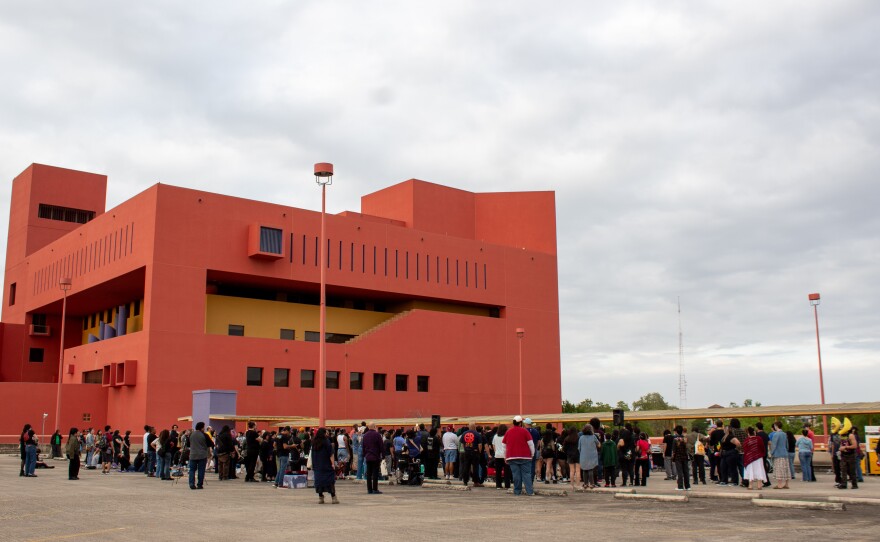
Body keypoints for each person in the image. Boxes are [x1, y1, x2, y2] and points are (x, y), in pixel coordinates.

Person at [503, 416, 535, 496]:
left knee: (516, 475)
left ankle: (517, 491)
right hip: (525, 456)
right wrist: (532, 453)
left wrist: (505, 456)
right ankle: (530, 491)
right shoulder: (525, 431)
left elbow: (504, 445)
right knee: (527, 474)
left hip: (512, 457)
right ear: (520, 423)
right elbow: (531, 444)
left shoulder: (508, 431)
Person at [311, 428, 339, 504]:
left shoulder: (314, 442)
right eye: (326, 432)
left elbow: (312, 455)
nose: (327, 434)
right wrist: (333, 464)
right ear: (323, 433)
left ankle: (321, 497)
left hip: (317, 465)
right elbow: (331, 454)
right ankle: (333, 497)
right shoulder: (326, 441)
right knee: (330, 480)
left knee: (319, 481)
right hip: (326, 464)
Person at [189, 421, 213, 490]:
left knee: (192, 470)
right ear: (202, 428)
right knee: (201, 470)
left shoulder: (191, 434)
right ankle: (199, 484)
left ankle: (191, 483)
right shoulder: (205, 435)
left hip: (193, 454)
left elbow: (188, 444)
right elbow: (211, 444)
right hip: (202, 455)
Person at [362, 423, 384, 494]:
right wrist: (383, 455)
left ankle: (369, 489)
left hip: (368, 456)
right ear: (374, 427)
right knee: (375, 473)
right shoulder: (377, 435)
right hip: (375, 456)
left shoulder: (365, 435)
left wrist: (364, 455)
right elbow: (381, 446)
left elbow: (363, 446)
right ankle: (375, 489)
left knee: (369, 473)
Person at [460, 423, 484, 487]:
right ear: (474, 427)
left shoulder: (464, 433)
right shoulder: (477, 434)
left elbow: (462, 443)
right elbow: (480, 444)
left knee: (466, 467)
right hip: (475, 452)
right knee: (475, 467)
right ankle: (475, 482)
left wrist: (465, 449)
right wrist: (479, 451)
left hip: (466, 452)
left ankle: (465, 481)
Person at [768, 422, 790, 489]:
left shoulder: (776, 434)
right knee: (786, 469)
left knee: (779, 469)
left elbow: (774, 445)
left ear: (776, 426)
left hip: (778, 454)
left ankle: (779, 484)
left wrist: (771, 452)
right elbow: (787, 445)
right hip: (785, 453)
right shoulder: (784, 434)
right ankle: (786, 484)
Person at [578, 424, 600, 488]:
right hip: (592, 455)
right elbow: (598, 445)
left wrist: (582, 453)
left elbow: (579, 448)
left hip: (583, 455)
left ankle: (585, 484)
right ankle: (592, 484)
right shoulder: (593, 437)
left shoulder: (581, 438)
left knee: (584, 470)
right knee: (591, 469)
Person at [492, 424, 511, 489]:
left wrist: (496, 452)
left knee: (498, 471)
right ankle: (507, 485)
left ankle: (498, 485)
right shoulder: (506, 436)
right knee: (506, 472)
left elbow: (493, 445)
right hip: (505, 455)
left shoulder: (495, 436)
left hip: (497, 455)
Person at [672, 425, 691, 491]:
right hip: (685, 457)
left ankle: (680, 486)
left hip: (678, 457)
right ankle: (687, 486)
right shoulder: (685, 439)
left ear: (676, 431)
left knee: (679, 472)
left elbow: (674, 451)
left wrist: (673, 457)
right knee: (686, 471)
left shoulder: (675, 440)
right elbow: (688, 448)